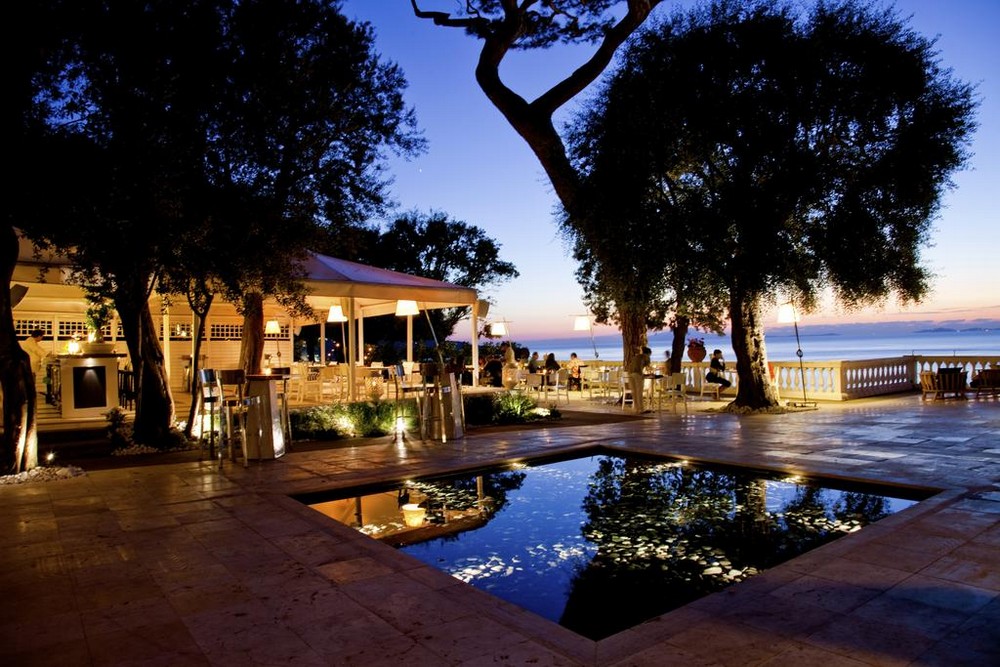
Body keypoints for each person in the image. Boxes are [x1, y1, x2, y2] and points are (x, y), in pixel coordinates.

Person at [627, 345, 651, 413]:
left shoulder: (636, 356)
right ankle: (641, 409)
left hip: (630, 374)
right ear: (648, 353)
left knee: (634, 392)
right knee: (639, 392)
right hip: (637, 374)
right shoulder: (646, 356)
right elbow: (648, 366)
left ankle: (636, 408)